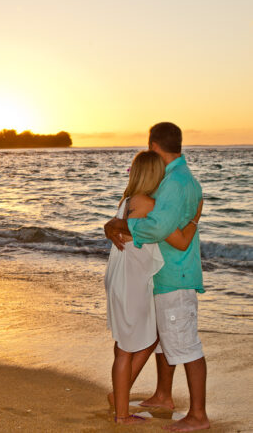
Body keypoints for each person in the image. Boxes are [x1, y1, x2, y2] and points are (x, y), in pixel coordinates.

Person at [104, 122, 210, 432]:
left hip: (173, 274)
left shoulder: (172, 183)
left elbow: (167, 232)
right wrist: (115, 225)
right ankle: (163, 396)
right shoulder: (172, 181)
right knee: (165, 340)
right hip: (160, 276)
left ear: (153, 147)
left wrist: (122, 226)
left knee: (185, 344)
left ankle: (198, 415)